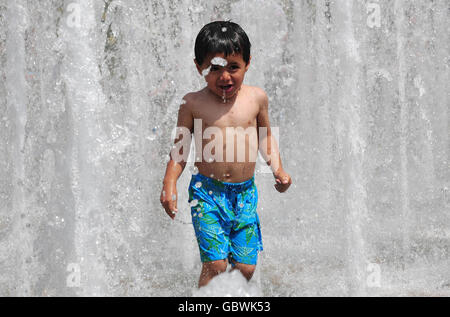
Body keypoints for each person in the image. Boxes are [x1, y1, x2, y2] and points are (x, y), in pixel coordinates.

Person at [160, 20, 292, 288]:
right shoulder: (192, 103)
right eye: (214, 68)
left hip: (244, 194)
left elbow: (266, 138)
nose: (225, 77)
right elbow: (181, 149)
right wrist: (169, 183)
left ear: (247, 63)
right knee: (217, 264)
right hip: (207, 194)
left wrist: (278, 169)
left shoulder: (256, 98)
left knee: (245, 266)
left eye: (234, 67)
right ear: (199, 67)